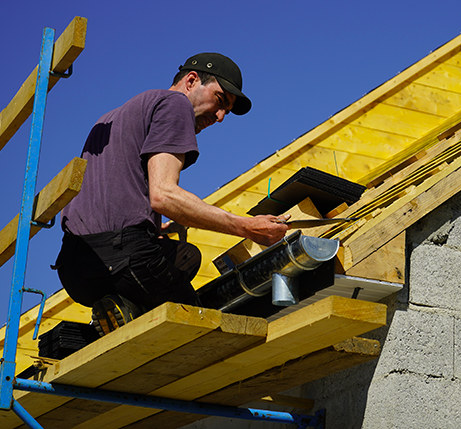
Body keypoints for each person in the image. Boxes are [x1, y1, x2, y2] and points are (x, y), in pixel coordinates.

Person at [53, 52, 289, 335]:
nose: (220, 116)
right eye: (220, 100)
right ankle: (130, 308)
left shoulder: (114, 117)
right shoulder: (175, 104)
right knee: (201, 329)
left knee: (186, 256)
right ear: (191, 81)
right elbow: (163, 195)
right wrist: (246, 227)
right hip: (121, 260)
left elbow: (112, 198)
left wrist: (152, 225)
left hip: (75, 268)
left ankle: (123, 307)